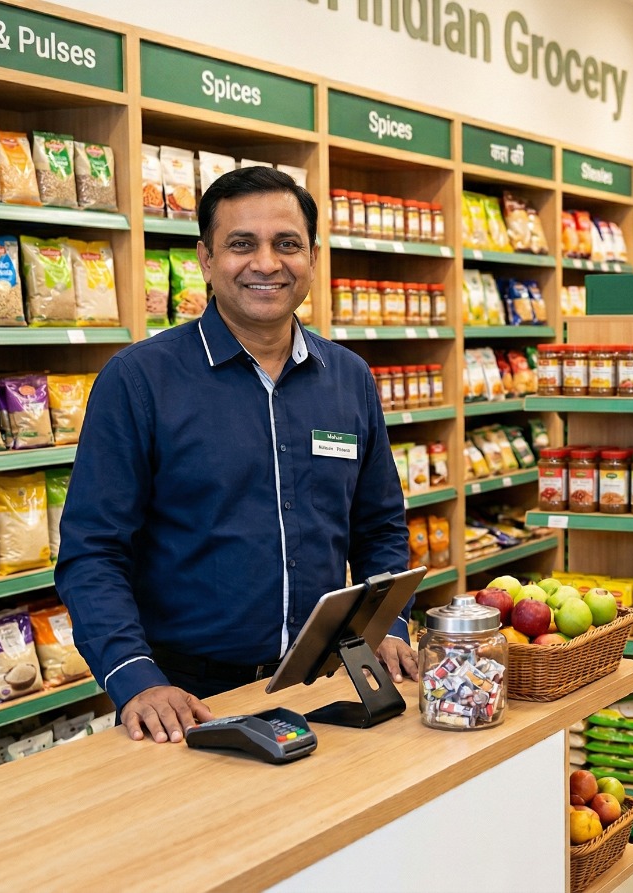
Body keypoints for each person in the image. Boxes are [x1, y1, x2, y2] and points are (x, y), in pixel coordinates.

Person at [57, 166, 414, 744]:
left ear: (313, 258)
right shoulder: (138, 381)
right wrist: (135, 679)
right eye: (241, 244)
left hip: (326, 683)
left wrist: (387, 625)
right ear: (205, 257)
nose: (267, 263)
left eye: (287, 244)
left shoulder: (349, 378)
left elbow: (378, 527)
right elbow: (93, 552)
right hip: (189, 702)